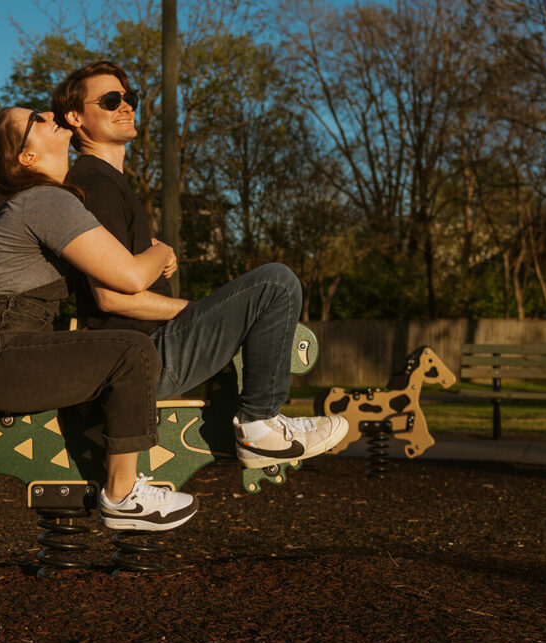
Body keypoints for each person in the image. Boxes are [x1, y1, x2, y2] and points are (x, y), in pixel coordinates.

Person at [51, 61, 348, 469]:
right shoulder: (96, 182)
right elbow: (111, 298)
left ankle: (263, 423)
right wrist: (198, 313)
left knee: (271, 286)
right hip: (143, 359)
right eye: (111, 100)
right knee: (276, 284)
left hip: (148, 352)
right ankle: (261, 426)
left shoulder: (108, 181)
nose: (126, 107)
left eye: (129, 98)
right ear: (75, 117)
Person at [0, 106, 197, 531]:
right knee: (130, 351)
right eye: (36, 120)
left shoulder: (44, 203)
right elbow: (132, 275)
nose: (48, 113)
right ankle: (122, 496)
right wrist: (163, 252)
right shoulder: (44, 201)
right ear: (25, 157)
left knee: (115, 351)